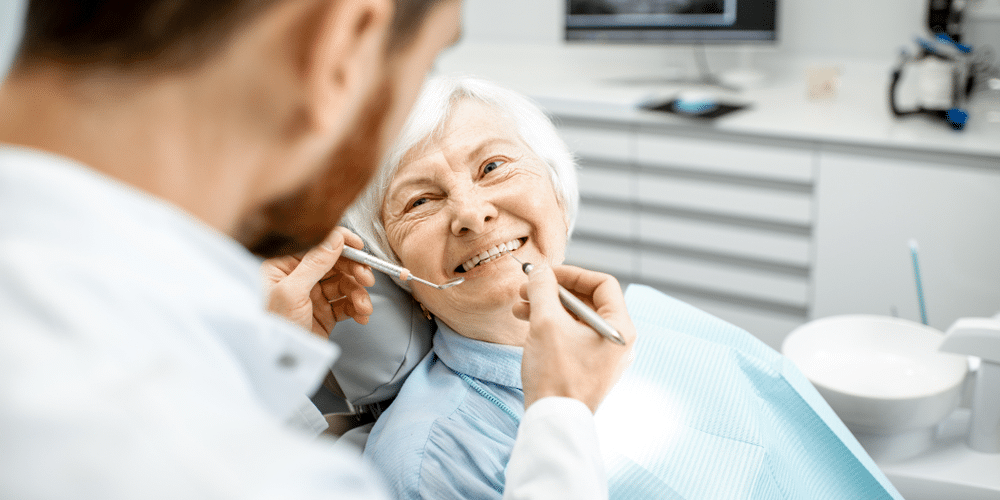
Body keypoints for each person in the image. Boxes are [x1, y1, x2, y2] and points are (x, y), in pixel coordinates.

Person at [0, 2, 633, 498]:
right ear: (344, 44)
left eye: (494, 165)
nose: (471, 212)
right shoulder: (204, 465)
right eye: (430, 61)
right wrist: (560, 418)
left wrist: (255, 361)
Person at [346, 75, 905, 500]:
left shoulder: (659, 321)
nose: (472, 213)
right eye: (419, 201)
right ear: (395, 268)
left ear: (558, 192)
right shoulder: (428, 455)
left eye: (493, 166)